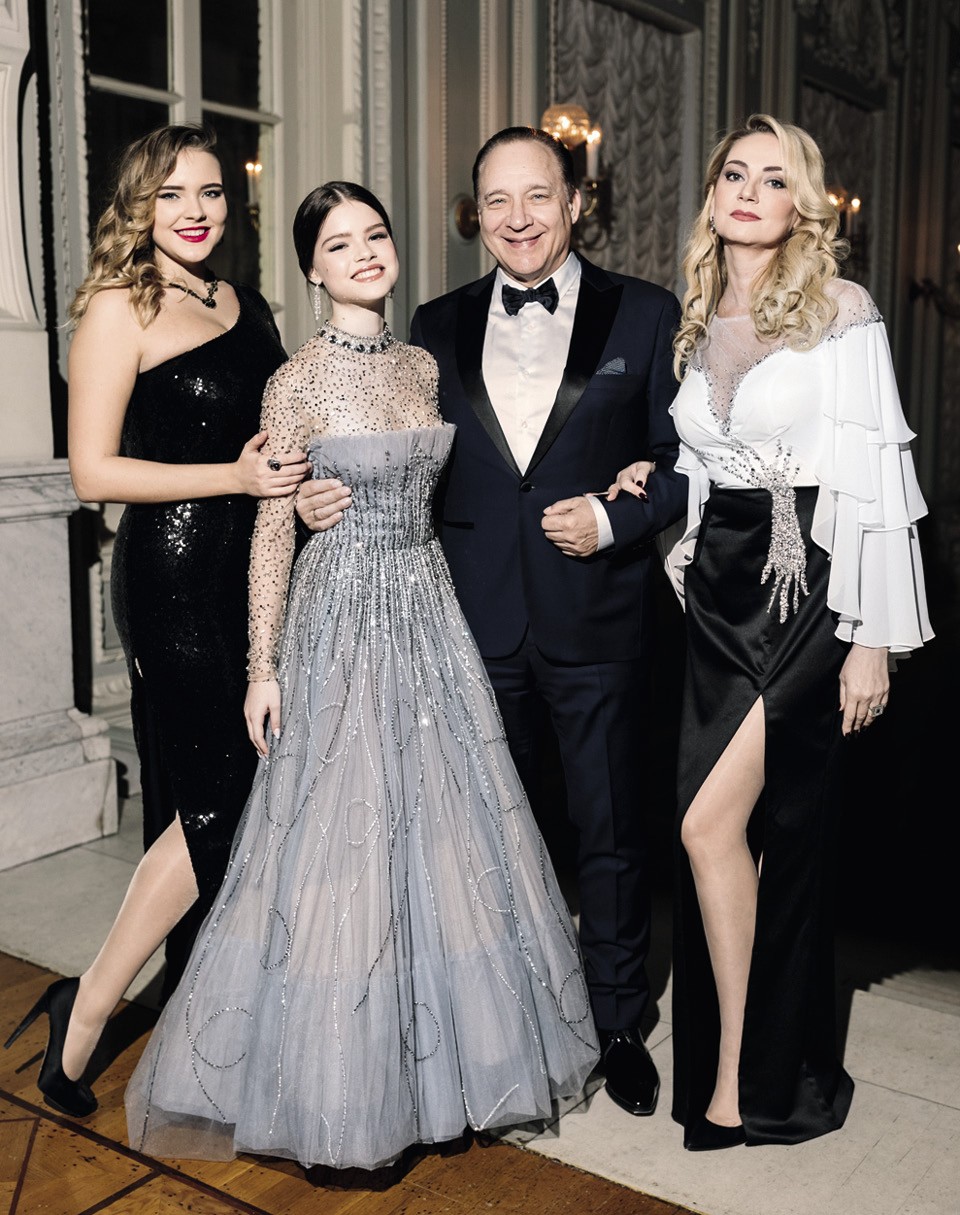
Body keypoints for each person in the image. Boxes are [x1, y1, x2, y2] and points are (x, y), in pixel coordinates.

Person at [122, 181, 600, 1171]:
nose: (364, 253)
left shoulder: (423, 364)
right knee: (344, 842)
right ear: (313, 268)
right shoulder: (295, 380)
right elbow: (270, 527)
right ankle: (345, 1097)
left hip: (425, 607)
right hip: (338, 616)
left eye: (375, 234)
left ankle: (445, 1073)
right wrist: (262, 667)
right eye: (339, 244)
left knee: (443, 836)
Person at [297, 127, 688, 1117]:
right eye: (497, 201)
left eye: (538, 196)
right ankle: (506, 1020)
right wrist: (311, 492)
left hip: (596, 615)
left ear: (576, 201)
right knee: (478, 832)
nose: (517, 219)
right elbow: (378, 437)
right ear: (477, 213)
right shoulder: (432, 323)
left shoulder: (645, 313)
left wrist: (616, 517)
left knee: (609, 830)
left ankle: (616, 1020)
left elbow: (687, 459)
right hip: (463, 620)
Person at [609, 113, 934, 1150]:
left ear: (803, 204)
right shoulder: (701, 317)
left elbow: (877, 480)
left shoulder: (843, 310)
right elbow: (709, 458)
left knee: (722, 826)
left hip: (807, 583)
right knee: (717, 833)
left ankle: (741, 1080)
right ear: (712, 195)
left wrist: (873, 638)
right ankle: (747, 1068)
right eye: (735, 175)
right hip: (718, 589)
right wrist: (656, 474)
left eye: (775, 178)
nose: (750, 191)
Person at [3, 123, 305, 1117]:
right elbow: (93, 472)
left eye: (211, 191)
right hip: (172, 579)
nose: (196, 211)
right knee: (222, 797)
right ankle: (87, 1010)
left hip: (253, 574)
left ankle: (210, 1007)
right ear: (139, 206)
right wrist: (236, 478)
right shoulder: (116, 306)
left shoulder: (243, 301)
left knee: (234, 793)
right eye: (172, 194)